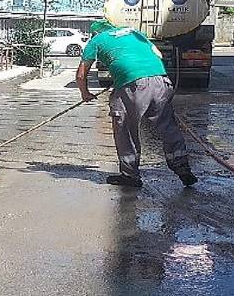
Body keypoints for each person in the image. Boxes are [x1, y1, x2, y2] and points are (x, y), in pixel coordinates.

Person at [75, 20, 198, 188]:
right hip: (160, 80)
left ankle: (130, 174)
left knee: (124, 126)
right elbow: (158, 55)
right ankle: (182, 167)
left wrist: (85, 93)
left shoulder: (96, 40)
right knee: (168, 126)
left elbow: (82, 74)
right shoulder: (133, 32)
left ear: (95, 33)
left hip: (132, 85)